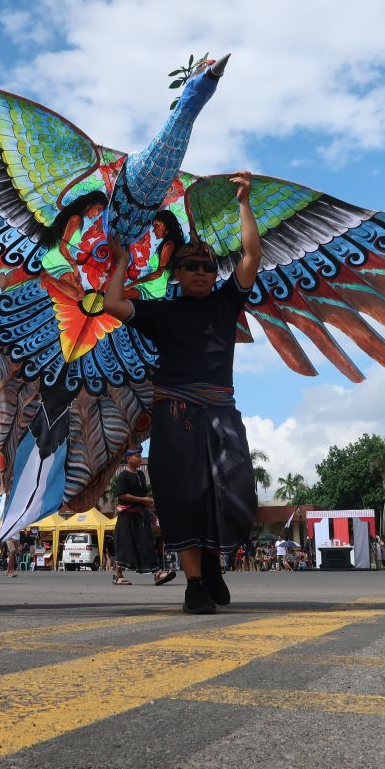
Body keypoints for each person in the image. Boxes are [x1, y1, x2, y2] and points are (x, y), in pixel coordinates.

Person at [105, 171, 261, 614]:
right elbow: (115, 304)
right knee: (184, 493)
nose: (201, 272)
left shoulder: (226, 302)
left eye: (208, 266)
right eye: (191, 265)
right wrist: (120, 262)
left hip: (220, 410)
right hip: (174, 412)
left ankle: (213, 564)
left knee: (234, 490)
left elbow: (252, 253)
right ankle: (195, 582)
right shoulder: (163, 312)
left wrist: (243, 202)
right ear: (177, 272)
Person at [111, 448, 178, 586]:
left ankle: (157, 573)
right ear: (128, 458)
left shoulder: (141, 474)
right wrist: (143, 501)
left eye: (141, 456)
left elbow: (144, 494)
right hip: (127, 517)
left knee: (146, 543)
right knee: (125, 546)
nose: (140, 458)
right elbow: (122, 495)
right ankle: (118, 575)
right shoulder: (123, 475)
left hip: (141, 516)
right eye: (137, 456)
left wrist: (149, 503)